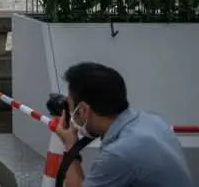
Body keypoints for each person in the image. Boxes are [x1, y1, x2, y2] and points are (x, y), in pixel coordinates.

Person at [56, 62, 194, 187]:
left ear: (83, 110)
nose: (71, 112)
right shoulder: (152, 120)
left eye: (71, 106)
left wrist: (70, 146)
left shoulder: (118, 154)